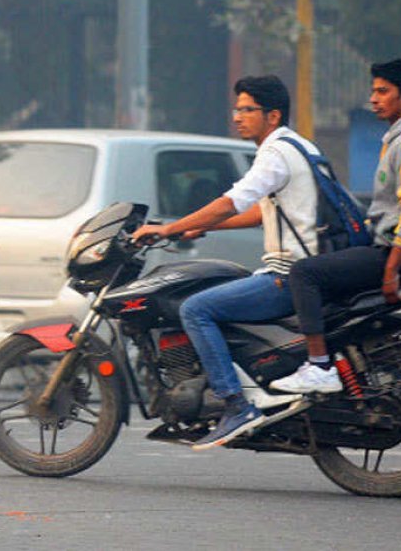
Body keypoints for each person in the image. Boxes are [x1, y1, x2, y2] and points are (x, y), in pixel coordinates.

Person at [132, 75, 322, 451]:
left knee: (197, 308)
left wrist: (171, 228)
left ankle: (236, 404)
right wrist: (200, 229)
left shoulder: (275, 152)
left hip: (290, 275)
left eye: (247, 109)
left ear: (272, 115)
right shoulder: (299, 146)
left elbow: (232, 202)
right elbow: (258, 214)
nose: (237, 117)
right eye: (236, 109)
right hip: (309, 270)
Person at [271, 58, 401, 394]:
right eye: (373, 91)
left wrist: (391, 270)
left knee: (304, 273)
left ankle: (319, 366)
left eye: (383, 91)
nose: (374, 98)